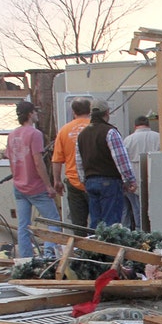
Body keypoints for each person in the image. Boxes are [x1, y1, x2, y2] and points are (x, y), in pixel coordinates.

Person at [6, 101, 61, 258]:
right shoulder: (34, 134)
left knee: (23, 225)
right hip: (35, 186)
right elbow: (38, 162)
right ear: (30, 114)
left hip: (18, 186)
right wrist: (48, 186)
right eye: (35, 112)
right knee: (53, 220)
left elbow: (11, 161)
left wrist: (17, 177)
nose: (37, 114)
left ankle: (26, 259)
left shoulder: (12, 135)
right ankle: (50, 255)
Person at [75, 100, 138, 228]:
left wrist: (84, 181)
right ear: (107, 113)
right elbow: (120, 159)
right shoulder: (110, 132)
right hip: (110, 182)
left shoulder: (82, 135)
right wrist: (129, 180)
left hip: (90, 182)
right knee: (111, 224)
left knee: (95, 223)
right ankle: (110, 248)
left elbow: (79, 162)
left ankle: (95, 247)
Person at [51, 97, 91, 236]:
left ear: (73, 111)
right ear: (90, 110)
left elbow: (57, 160)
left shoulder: (64, 131)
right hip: (94, 181)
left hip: (74, 183)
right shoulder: (96, 127)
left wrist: (57, 181)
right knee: (99, 223)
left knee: (79, 225)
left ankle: (81, 253)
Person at [122, 116, 160, 230]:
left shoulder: (128, 139)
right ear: (148, 125)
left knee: (135, 210)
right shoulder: (158, 137)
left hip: (133, 178)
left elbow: (123, 160)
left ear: (135, 126)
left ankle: (137, 233)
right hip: (154, 177)